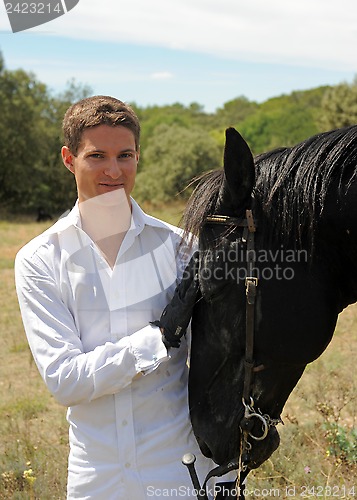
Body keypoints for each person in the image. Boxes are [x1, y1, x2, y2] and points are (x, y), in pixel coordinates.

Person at [15, 96, 234, 499]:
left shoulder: (182, 248)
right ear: (69, 159)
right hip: (97, 477)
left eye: (125, 155)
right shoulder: (39, 260)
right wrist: (160, 336)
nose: (113, 171)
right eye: (97, 156)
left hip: (182, 469)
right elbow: (65, 381)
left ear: (138, 157)